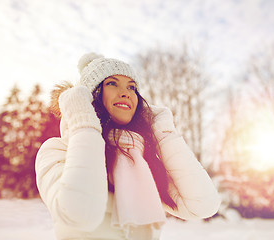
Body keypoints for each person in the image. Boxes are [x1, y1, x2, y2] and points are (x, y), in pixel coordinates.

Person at [35, 53, 221, 240]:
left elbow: (203, 204)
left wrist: (164, 134)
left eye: (132, 87)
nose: (125, 93)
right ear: (91, 95)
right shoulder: (58, 150)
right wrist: (84, 122)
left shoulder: (141, 160)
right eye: (112, 83)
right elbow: (80, 214)